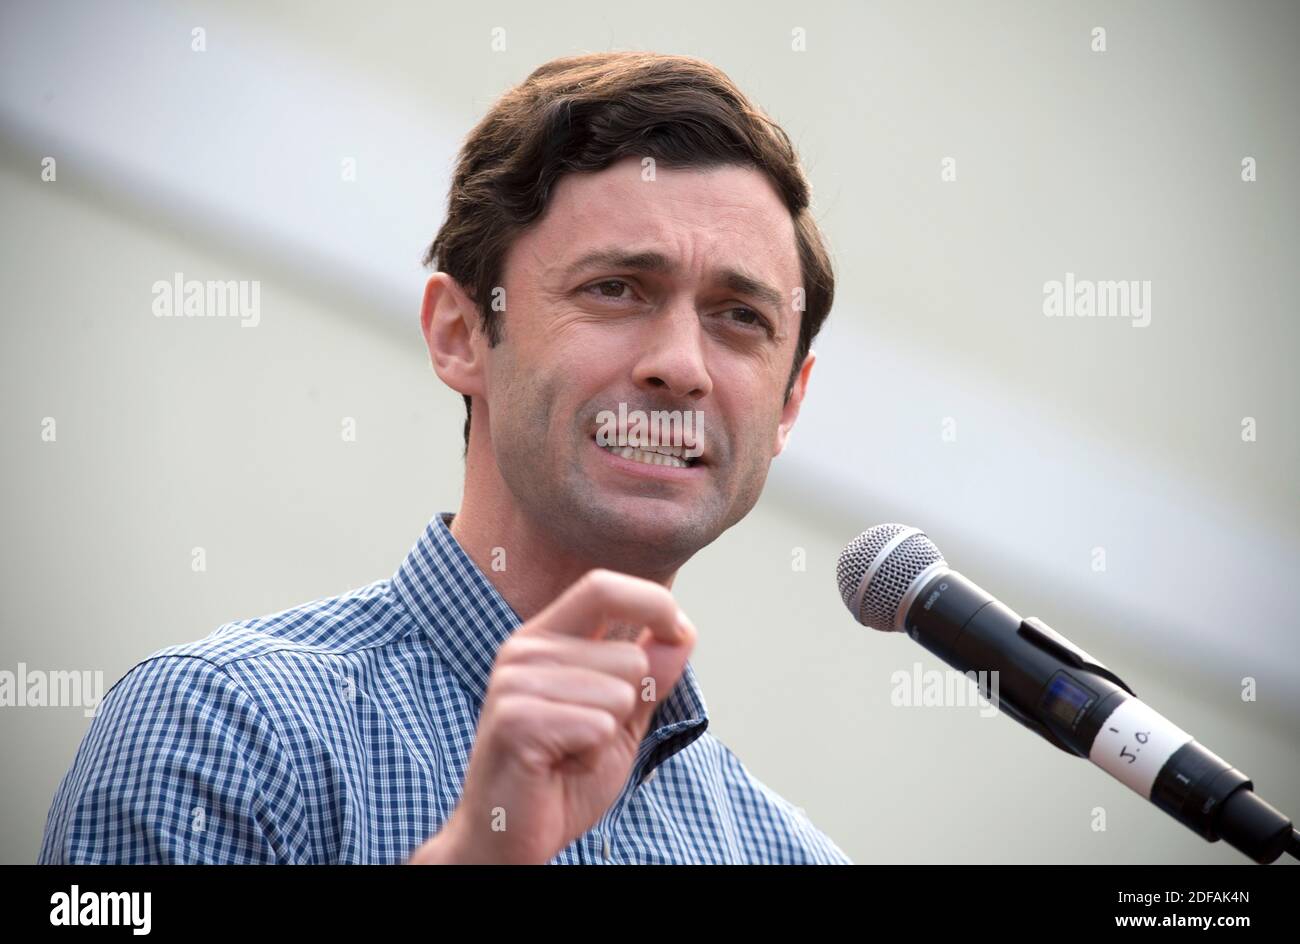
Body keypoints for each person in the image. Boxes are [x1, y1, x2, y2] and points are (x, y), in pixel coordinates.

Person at [39, 50, 847, 864]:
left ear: (789, 404)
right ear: (460, 335)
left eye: (740, 315)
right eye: (616, 288)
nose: (681, 364)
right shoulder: (221, 732)